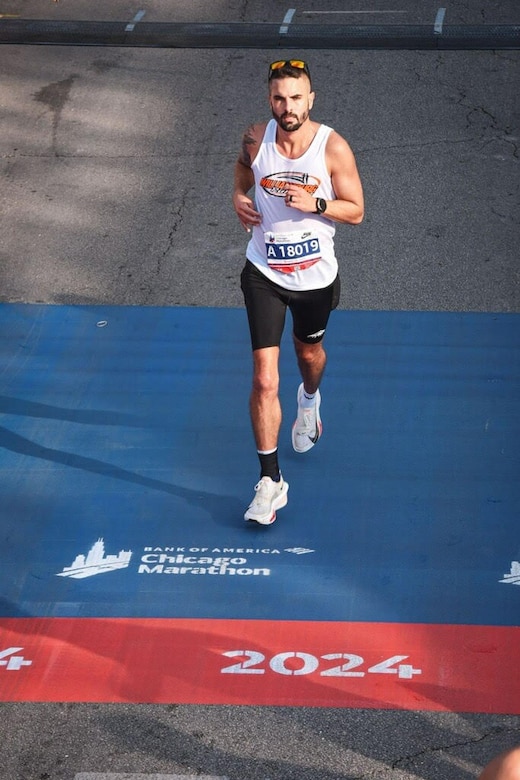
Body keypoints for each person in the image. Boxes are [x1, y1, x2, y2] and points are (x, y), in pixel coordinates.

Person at [233, 58, 364, 525]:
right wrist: (238, 198)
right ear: (270, 100)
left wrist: (319, 203)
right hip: (263, 273)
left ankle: (309, 401)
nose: (286, 107)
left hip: (314, 282)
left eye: (295, 98)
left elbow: (357, 211)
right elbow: (243, 171)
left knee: (309, 357)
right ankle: (270, 482)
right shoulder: (255, 137)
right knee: (265, 379)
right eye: (278, 98)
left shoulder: (332, 149)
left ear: (310, 99)